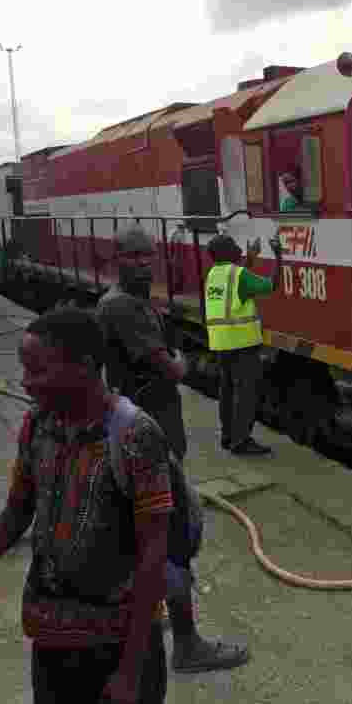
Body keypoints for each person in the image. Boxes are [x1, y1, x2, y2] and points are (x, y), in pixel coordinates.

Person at [0, 307, 171, 704]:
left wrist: (130, 671)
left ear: (87, 367)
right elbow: (12, 517)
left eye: (38, 370)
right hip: (53, 637)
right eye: (24, 370)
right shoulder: (37, 426)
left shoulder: (136, 436)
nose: (25, 383)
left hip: (121, 643)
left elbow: (153, 554)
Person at [97, 226, 250, 673]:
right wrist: (181, 362)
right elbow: (171, 368)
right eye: (133, 257)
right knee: (173, 535)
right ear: (117, 259)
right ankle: (187, 644)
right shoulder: (124, 307)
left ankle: (153, 613)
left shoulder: (120, 302)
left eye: (148, 257)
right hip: (152, 434)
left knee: (146, 532)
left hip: (147, 427)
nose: (143, 264)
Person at [204, 232, 283, 455]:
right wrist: (279, 256)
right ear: (227, 253)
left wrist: (251, 257)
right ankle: (241, 441)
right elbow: (271, 285)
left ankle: (228, 437)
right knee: (245, 394)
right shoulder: (238, 275)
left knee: (227, 392)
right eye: (234, 246)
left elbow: (238, 280)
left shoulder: (214, 274)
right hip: (242, 343)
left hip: (221, 342)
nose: (238, 248)